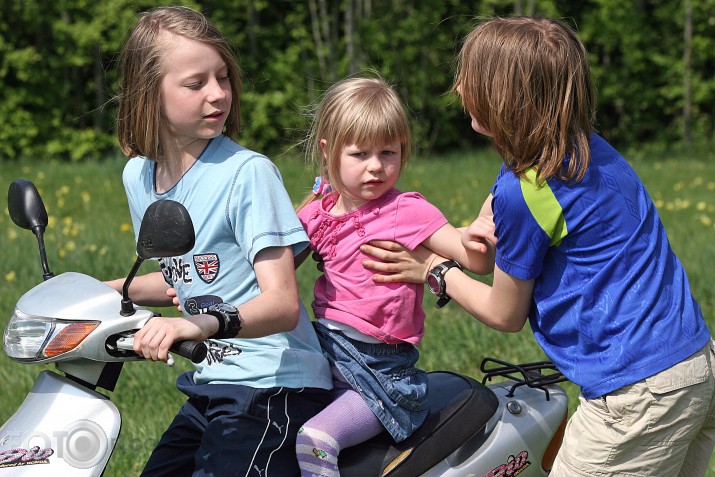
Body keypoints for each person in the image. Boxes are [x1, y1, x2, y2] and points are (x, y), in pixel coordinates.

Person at [360, 16, 715, 477]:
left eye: (470, 75)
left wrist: (434, 268)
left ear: (500, 97)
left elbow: (505, 314)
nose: (459, 84)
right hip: (692, 365)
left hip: (634, 394)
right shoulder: (587, 149)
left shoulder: (528, 189)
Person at [105, 6, 332, 476]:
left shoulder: (246, 173)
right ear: (149, 93)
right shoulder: (139, 178)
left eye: (223, 78)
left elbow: (282, 303)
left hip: (274, 384)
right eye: (196, 83)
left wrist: (197, 326)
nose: (217, 94)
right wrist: (99, 290)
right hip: (212, 382)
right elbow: (182, 280)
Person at [292, 76, 494, 477]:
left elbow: (472, 260)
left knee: (316, 441)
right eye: (360, 153)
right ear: (328, 151)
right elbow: (272, 272)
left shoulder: (406, 210)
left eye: (389, 152)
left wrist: (478, 234)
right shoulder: (315, 215)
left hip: (380, 374)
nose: (376, 166)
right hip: (322, 357)